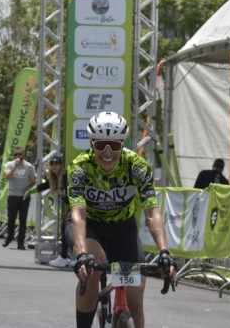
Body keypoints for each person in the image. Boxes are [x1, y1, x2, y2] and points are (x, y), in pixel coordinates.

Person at [66, 111, 176, 328]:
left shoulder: (136, 166)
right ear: (92, 144)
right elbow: (78, 213)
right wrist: (80, 253)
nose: (107, 153)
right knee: (93, 265)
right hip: (91, 229)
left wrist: (164, 251)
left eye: (114, 146)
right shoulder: (80, 167)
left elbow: (151, 211)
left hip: (123, 230)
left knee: (135, 303)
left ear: (122, 144)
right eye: (101, 146)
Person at [24, 155, 71, 267]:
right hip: (73, 207)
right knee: (66, 231)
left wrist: (72, 210)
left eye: (57, 164)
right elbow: (43, 186)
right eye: (52, 164)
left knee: (66, 229)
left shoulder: (65, 177)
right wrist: (30, 192)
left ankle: (64, 257)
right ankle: (66, 257)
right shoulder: (54, 179)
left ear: (61, 165)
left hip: (79, 207)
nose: (54, 167)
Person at [3, 146, 37, 250]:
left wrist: (29, 189)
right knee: (11, 219)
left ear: (23, 155)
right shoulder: (9, 164)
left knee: (23, 220)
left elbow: (33, 180)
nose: (18, 156)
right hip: (13, 195)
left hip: (24, 196)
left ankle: (20, 242)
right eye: (16, 154)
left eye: (20, 154)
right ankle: (9, 237)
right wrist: (15, 167)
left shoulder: (29, 166)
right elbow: (8, 177)